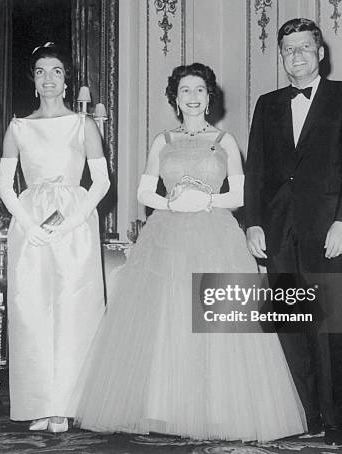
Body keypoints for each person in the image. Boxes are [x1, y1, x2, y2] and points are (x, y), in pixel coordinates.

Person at [72, 63, 306, 442]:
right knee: (169, 317)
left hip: (215, 234)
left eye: (199, 90)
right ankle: (165, 408)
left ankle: (219, 411)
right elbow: (144, 192)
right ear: (175, 99)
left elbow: (241, 194)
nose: (193, 97)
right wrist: (172, 203)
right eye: (185, 91)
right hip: (167, 235)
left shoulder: (225, 140)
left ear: (209, 96)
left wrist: (206, 198)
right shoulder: (162, 141)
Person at [244, 18, 342, 446]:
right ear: (281, 56)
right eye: (288, 49)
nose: (297, 55)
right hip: (279, 232)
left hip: (331, 233)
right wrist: (253, 223)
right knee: (290, 327)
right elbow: (257, 170)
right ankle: (309, 415)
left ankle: (336, 421)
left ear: (320, 53)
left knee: (329, 328)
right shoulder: (267, 104)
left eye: (305, 47)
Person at [0, 42, 109, 433]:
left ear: (66, 78)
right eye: (41, 71)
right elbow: (4, 185)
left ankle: (67, 404)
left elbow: (101, 181)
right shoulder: (18, 127)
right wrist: (29, 226)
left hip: (75, 225)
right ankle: (40, 403)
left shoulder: (83, 124)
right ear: (34, 78)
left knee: (74, 310)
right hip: (31, 225)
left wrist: (71, 221)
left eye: (56, 71)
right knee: (32, 312)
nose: (48, 78)